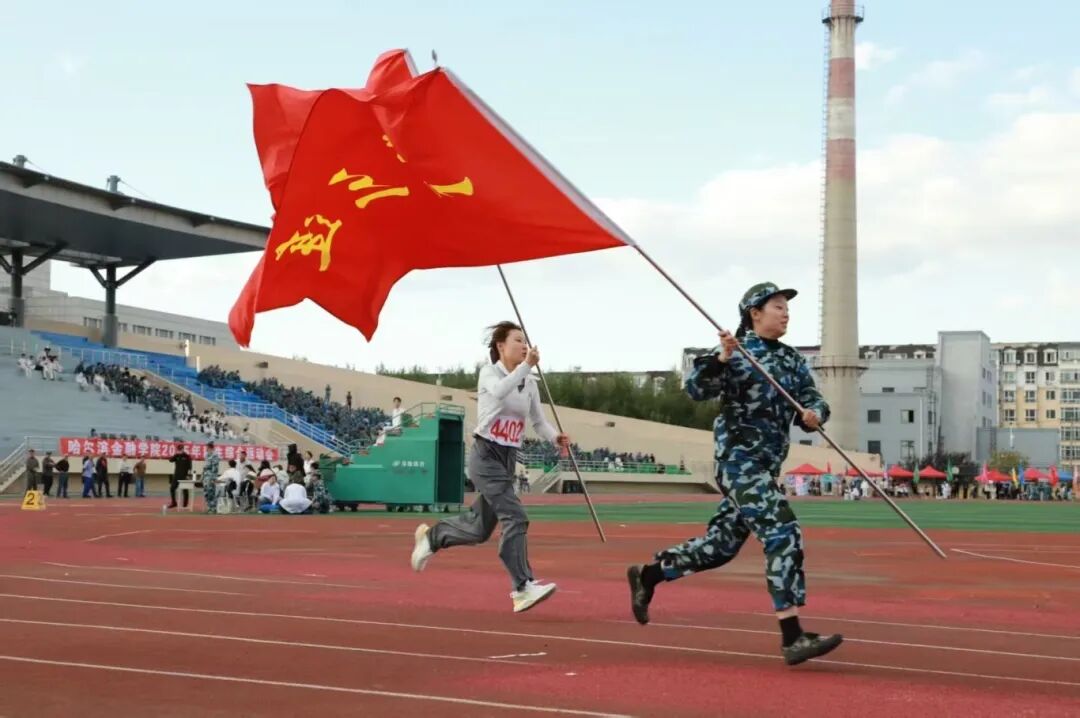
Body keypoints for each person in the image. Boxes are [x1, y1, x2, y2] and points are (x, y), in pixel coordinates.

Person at [625, 282, 843, 666]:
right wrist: (722, 359)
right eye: (778, 306)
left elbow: (812, 399)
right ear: (755, 313)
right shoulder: (735, 352)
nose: (786, 313)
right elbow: (696, 389)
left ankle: (649, 575)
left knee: (721, 547)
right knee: (782, 531)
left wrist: (815, 415)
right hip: (739, 463)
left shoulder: (792, 359)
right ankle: (792, 636)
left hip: (767, 467)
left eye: (786, 307)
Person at [410, 321, 569, 613]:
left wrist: (554, 437)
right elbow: (498, 392)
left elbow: (538, 421)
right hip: (485, 455)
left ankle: (432, 538)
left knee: (480, 529)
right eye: (518, 340)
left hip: (508, 458)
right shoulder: (489, 372)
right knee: (515, 517)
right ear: (501, 346)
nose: (524, 346)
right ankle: (522, 587)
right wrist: (526, 367)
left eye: (525, 341)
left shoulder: (529, 383)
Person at [202, 442, 221, 513]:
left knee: (211, 492)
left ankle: (213, 508)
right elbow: (205, 467)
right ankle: (209, 507)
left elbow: (215, 468)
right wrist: (202, 476)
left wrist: (213, 478)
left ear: (210, 448)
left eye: (207, 448)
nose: (206, 449)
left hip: (211, 476)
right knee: (206, 492)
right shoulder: (207, 455)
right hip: (206, 476)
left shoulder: (215, 455)